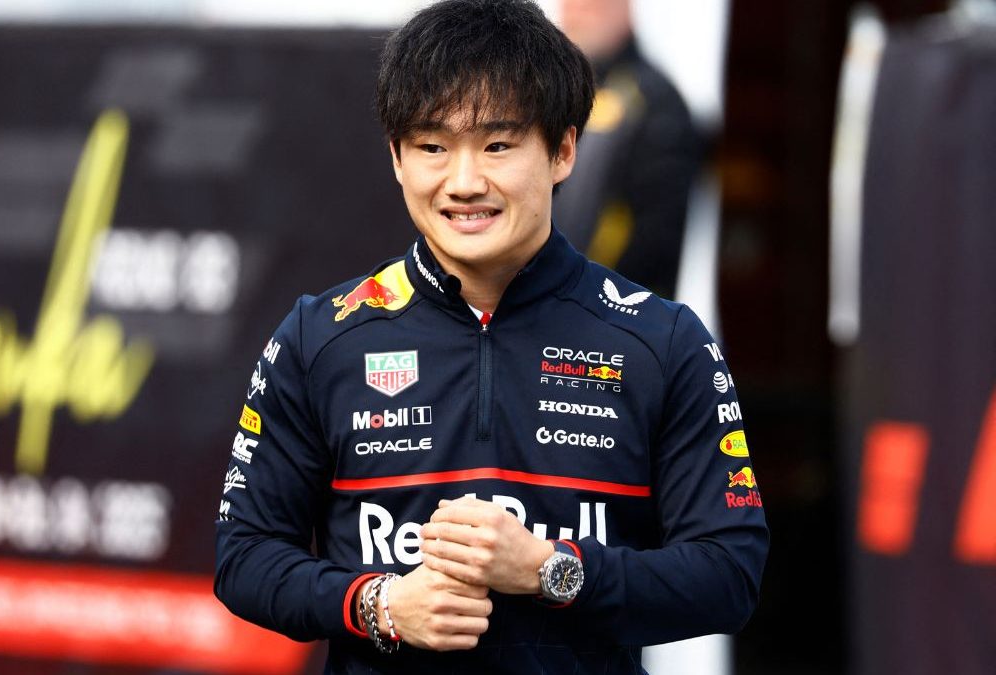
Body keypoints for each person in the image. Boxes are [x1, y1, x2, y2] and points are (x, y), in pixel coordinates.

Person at [214, 1, 767, 672]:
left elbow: (730, 574)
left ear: (563, 148)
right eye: (432, 147)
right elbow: (244, 554)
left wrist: (550, 569)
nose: (464, 182)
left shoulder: (662, 342)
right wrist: (379, 603)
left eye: (498, 145)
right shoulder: (320, 337)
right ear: (396, 157)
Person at [553, 0, 703, 300]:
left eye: (590, 4)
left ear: (625, 8)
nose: (577, 13)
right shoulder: (557, 94)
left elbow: (654, 235)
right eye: (569, 4)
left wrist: (588, 295)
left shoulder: (655, 100)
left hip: (617, 310)